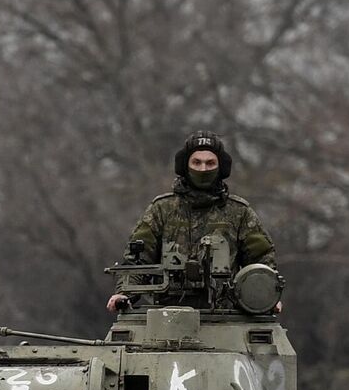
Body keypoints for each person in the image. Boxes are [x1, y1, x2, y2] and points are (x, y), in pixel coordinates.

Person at [107, 131, 277, 312]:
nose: (203, 169)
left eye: (210, 163)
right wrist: (124, 293)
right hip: (167, 317)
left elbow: (261, 260)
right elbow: (138, 259)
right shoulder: (162, 210)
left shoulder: (239, 213)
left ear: (221, 167)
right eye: (197, 162)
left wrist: (267, 295)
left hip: (227, 317)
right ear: (185, 165)